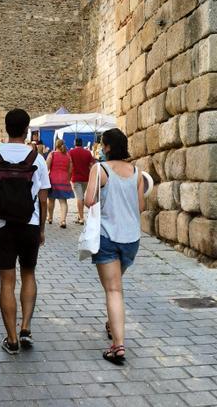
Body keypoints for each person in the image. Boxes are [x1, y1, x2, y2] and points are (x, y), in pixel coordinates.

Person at [0, 109, 50, 355]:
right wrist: (41, 229)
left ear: (6, 129)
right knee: (29, 274)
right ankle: (26, 328)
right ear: (26, 129)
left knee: (7, 282)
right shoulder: (36, 158)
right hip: (30, 224)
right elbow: (43, 197)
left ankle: (12, 339)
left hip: (3, 226)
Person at [83, 128, 145, 365]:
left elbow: (89, 200)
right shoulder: (138, 172)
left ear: (106, 147)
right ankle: (113, 323)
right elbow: (139, 207)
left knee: (113, 290)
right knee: (116, 287)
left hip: (107, 237)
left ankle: (118, 346)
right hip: (131, 240)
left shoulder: (100, 169)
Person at [46, 139, 73, 228]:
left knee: (51, 200)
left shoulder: (52, 154)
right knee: (63, 201)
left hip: (53, 180)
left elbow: (47, 167)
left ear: (56, 145)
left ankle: (50, 218)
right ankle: (63, 221)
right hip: (64, 180)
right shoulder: (68, 156)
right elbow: (70, 169)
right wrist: (68, 179)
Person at [69, 137, 95, 225]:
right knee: (81, 197)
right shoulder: (87, 153)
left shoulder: (71, 152)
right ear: (82, 143)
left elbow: (69, 165)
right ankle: (79, 216)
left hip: (75, 178)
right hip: (86, 178)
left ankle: (81, 218)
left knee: (80, 198)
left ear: (74, 143)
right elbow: (92, 165)